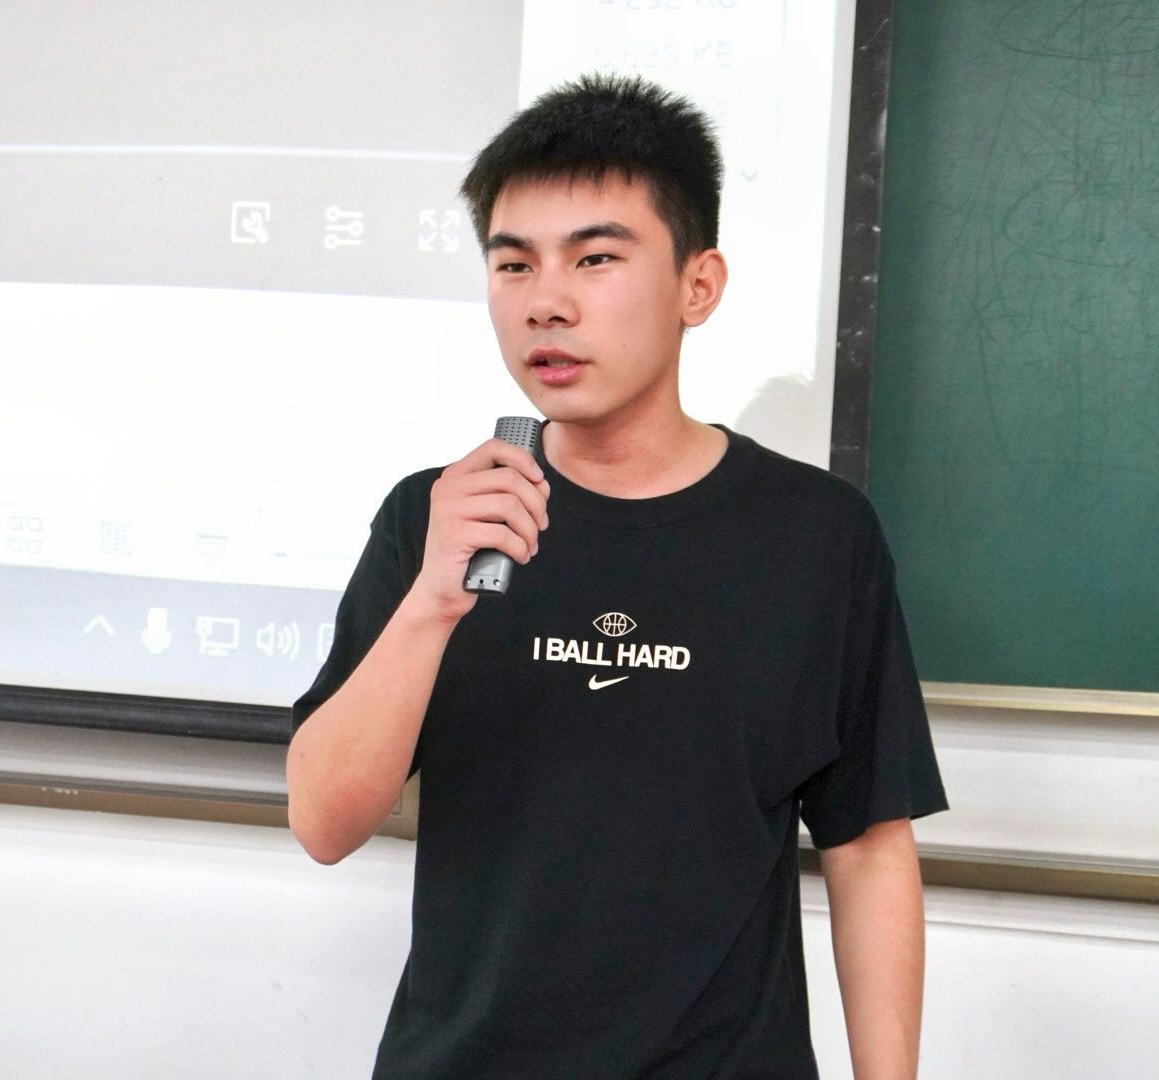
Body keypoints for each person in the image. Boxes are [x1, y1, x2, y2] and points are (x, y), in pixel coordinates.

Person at [286, 73, 947, 1080]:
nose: (545, 303)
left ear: (697, 285)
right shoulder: (437, 518)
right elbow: (323, 824)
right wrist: (430, 604)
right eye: (513, 265)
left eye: (595, 258)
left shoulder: (818, 535)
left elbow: (866, 846)